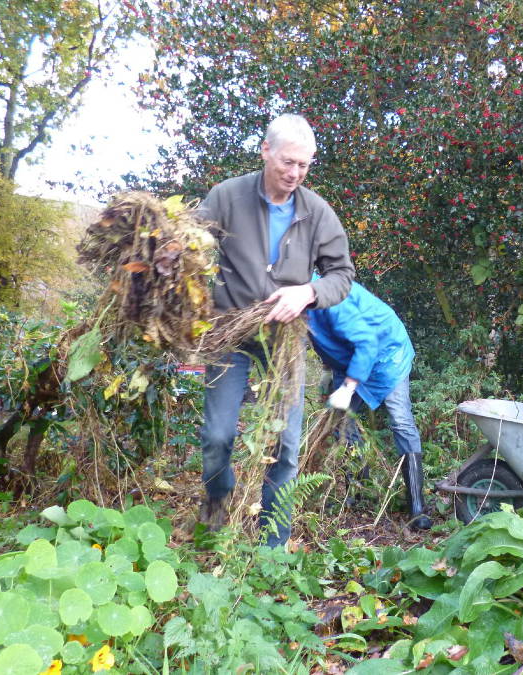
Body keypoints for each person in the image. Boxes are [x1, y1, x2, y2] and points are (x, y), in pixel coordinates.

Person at [196, 113, 354, 546]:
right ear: (265, 151)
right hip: (229, 334)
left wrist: (307, 292)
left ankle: (274, 542)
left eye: (304, 165)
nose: (295, 174)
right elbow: (189, 248)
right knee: (217, 436)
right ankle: (215, 507)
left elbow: (341, 275)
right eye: (288, 162)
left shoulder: (317, 212)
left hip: (284, 340)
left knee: (286, 441)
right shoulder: (226, 197)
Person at [307, 281, 432, 530]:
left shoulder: (331, 298)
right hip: (350, 361)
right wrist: (327, 370)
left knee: (400, 420)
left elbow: (366, 344)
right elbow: (326, 337)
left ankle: (417, 507)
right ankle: (359, 490)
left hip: (387, 355)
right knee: (341, 422)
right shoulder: (299, 299)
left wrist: (348, 387)